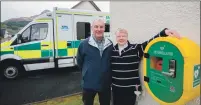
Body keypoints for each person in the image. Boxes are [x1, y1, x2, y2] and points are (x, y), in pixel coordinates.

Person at [110, 28, 181, 105]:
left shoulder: (135, 49)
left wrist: (164, 32)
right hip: (116, 88)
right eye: (119, 36)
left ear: (127, 37)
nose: (121, 38)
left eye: (123, 36)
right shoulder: (111, 51)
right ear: (116, 37)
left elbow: (149, 42)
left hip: (131, 89)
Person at [76, 19, 113, 105]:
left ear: (104, 28)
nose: (99, 29)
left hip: (105, 83)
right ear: (92, 28)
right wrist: (87, 72)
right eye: (96, 26)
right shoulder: (84, 44)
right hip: (89, 83)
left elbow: (111, 61)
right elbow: (79, 61)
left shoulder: (110, 44)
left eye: (101, 27)